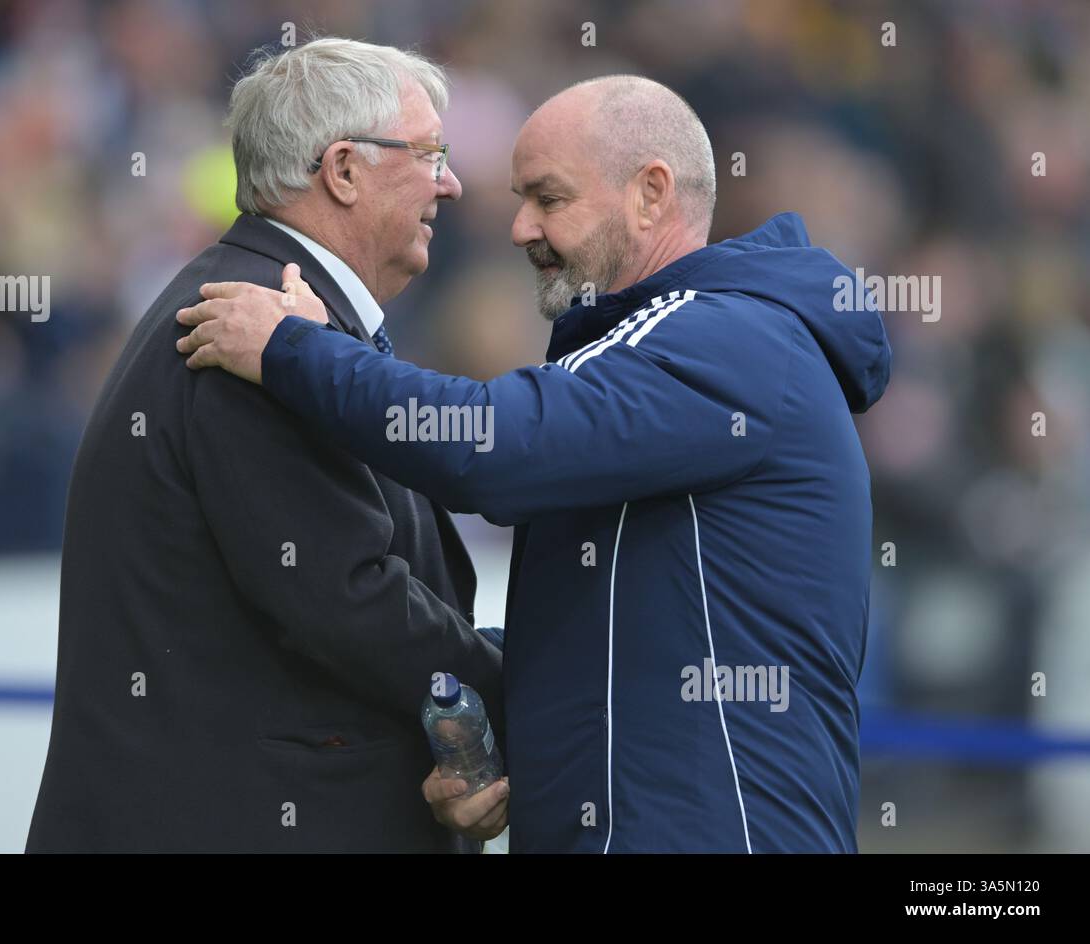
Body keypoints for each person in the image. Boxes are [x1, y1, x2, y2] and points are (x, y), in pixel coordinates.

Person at [173, 75, 892, 852]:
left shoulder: (729, 339)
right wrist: (499, 739)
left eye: (548, 199)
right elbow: (625, 639)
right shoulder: (690, 349)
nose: (519, 228)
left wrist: (294, 352)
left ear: (650, 194)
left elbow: (494, 450)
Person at [27, 38, 502, 853]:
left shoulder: (274, 312)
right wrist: (529, 685)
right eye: (430, 154)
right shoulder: (253, 333)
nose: (450, 182)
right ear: (344, 171)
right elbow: (348, 597)